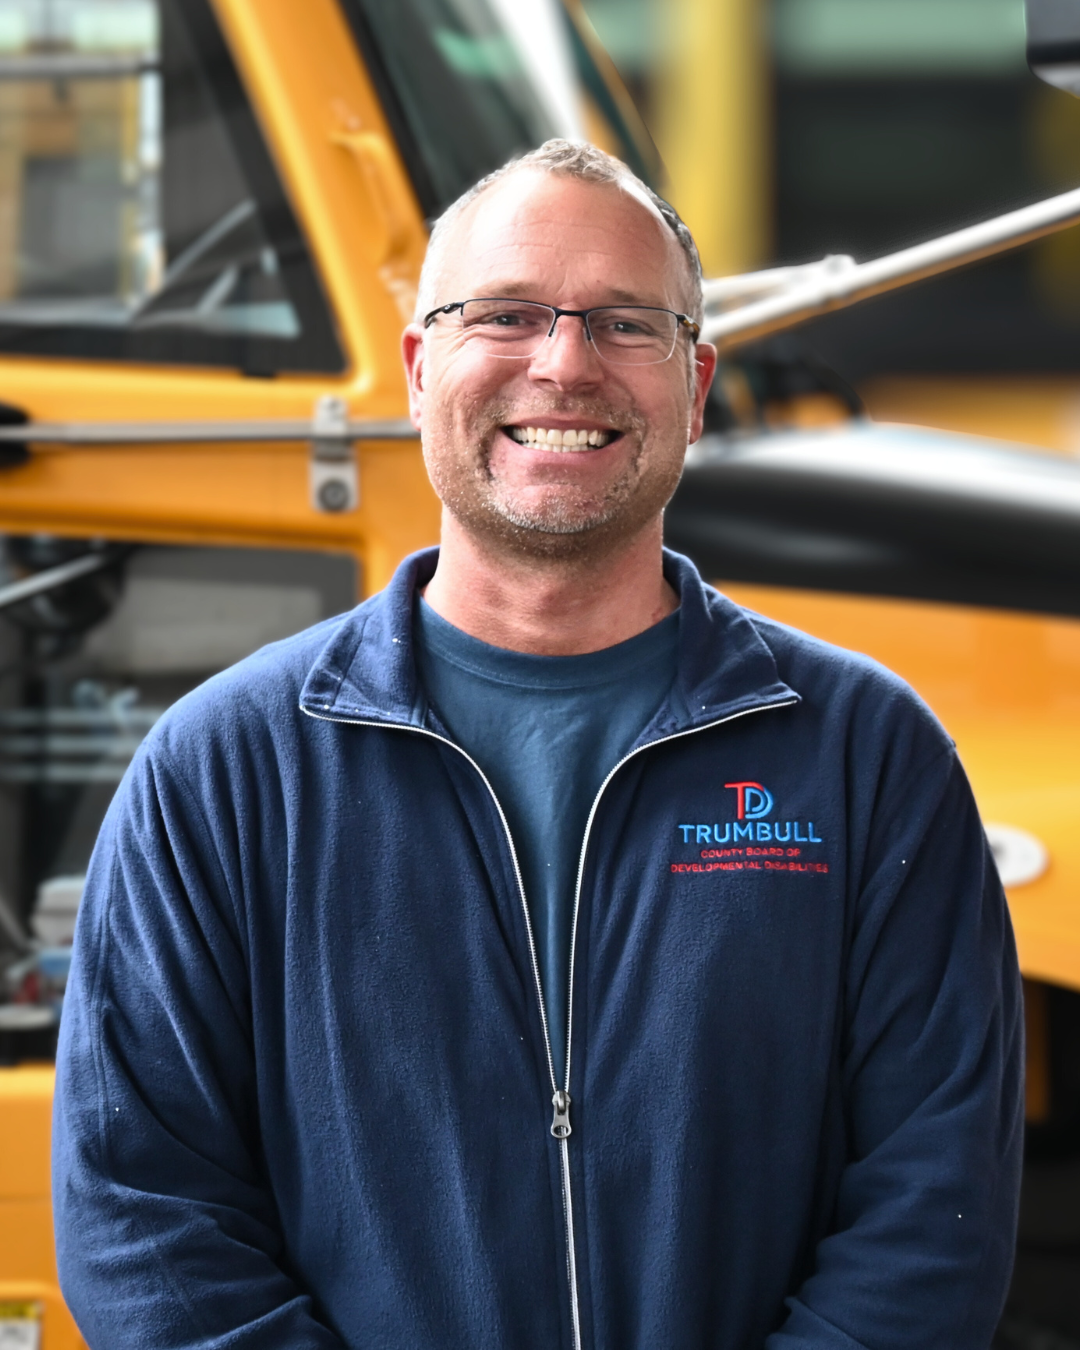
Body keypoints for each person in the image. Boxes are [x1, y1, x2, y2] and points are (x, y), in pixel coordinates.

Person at [53, 140, 1023, 1350]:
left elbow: (934, 1219)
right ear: (418, 369)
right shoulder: (220, 774)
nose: (564, 364)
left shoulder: (867, 759)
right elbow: (146, 1223)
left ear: (695, 380)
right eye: (505, 315)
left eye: (627, 325)